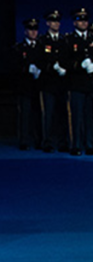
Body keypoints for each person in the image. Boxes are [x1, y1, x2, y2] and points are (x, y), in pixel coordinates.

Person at [38, 9, 68, 152]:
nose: (56, 24)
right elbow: (39, 60)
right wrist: (52, 67)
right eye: (53, 21)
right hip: (48, 83)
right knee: (48, 114)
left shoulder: (64, 40)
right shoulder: (43, 41)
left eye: (57, 21)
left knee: (62, 114)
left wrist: (64, 68)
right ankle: (48, 142)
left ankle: (63, 142)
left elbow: (68, 58)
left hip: (62, 83)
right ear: (48, 23)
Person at [65, 8, 92, 155]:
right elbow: (65, 61)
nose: (83, 22)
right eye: (80, 20)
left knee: (90, 117)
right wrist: (79, 64)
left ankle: (89, 144)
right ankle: (75, 145)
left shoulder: (92, 38)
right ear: (75, 22)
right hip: (76, 83)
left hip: (91, 84)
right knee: (76, 116)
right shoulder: (70, 40)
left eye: (85, 20)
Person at [14, 18, 42, 150]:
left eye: (35, 29)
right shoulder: (20, 48)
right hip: (25, 86)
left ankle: (38, 140)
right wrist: (27, 69)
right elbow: (14, 65)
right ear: (25, 31)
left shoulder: (41, 47)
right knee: (24, 115)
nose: (33, 32)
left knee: (38, 115)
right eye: (31, 29)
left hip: (39, 86)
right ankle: (24, 140)